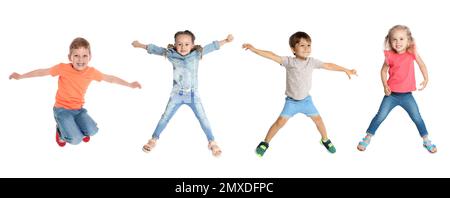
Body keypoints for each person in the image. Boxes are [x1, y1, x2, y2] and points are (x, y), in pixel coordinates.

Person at [9, 37, 141, 147]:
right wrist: (20, 76)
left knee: (93, 131)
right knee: (76, 140)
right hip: (62, 109)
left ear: (90, 57)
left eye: (84, 56)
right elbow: (41, 72)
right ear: (70, 57)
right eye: (76, 55)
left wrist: (129, 84)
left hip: (78, 110)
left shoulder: (91, 72)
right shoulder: (62, 68)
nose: (80, 59)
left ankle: (74, 126)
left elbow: (110, 79)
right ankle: (60, 131)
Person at [242, 31, 357, 157]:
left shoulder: (312, 62)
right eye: (302, 45)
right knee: (280, 122)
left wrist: (346, 70)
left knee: (319, 120)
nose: (306, 48)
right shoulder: (288, 61)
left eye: (308, 45)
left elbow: (328, 65)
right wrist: (254, 49)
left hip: (306, 101)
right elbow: (271, 55)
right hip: (291, 102)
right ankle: (265, 143)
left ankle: (325, 140)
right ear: (293, 49)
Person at [132, 30, 233, 157]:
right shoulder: (171, 54)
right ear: (174, 44)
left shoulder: (197, 54)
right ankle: (153, 139)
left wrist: (226, 40)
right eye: (179, 44)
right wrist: (140, 44)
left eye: (186, 44)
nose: (183, 47)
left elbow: (212, 47)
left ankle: (212, 142)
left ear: (192, 45)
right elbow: (155, 49)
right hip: (176, 95)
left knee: (203, 118)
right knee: (165, 117)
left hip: (192, 95)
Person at [357, 25, 436, 153]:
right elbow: (383, 71)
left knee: (417, 117)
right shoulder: (390, 56)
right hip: (391, 95)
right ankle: (367, 137)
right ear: (389, 41)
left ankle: (426, 140)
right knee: (380, 116)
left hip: (407, 96)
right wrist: (385, 85)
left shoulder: (412, 54)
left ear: (408, 40)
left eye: (401, 39)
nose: (397, 42)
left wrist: (426, 78)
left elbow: (422, 65)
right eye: (394, 39)